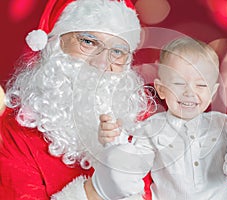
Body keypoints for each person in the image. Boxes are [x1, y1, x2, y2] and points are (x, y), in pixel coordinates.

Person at [0, 0, 151, 199]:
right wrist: (97, 191)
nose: (102, 63)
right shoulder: (10, 135)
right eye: (88, 42)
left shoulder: (139, 122)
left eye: (117, 51)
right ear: (55, 44)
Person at [95, 37, 227, 199]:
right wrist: (115, 140)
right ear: (161, 89)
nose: (189, 92)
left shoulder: (223, 124)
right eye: (179, 83)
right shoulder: (151, 128)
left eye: (201, 85)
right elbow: (133, 164)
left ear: (212, 92)